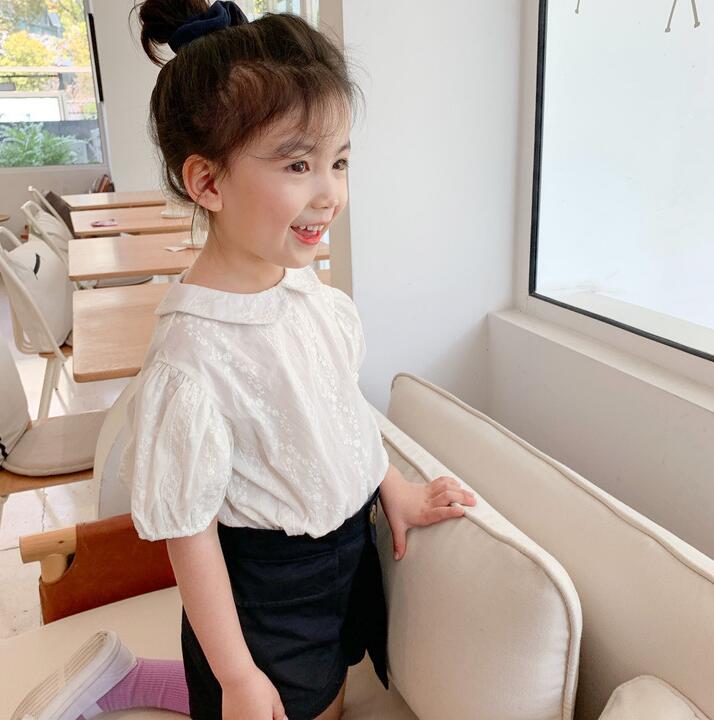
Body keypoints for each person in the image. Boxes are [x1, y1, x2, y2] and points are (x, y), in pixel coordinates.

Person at [12, 2, 476, 719]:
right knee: (292, 704)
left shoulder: (308, 295)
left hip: (343, 559)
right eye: (298, 164)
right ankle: (160, 683)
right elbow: (190, 533)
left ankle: (130, 677)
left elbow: (339, 414)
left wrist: (394, 489)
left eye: (339, 161)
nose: (330, 192)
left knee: (333, 689)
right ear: (207, 183)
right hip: (268, 592)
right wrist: (235, 675)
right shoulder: (192, 359)